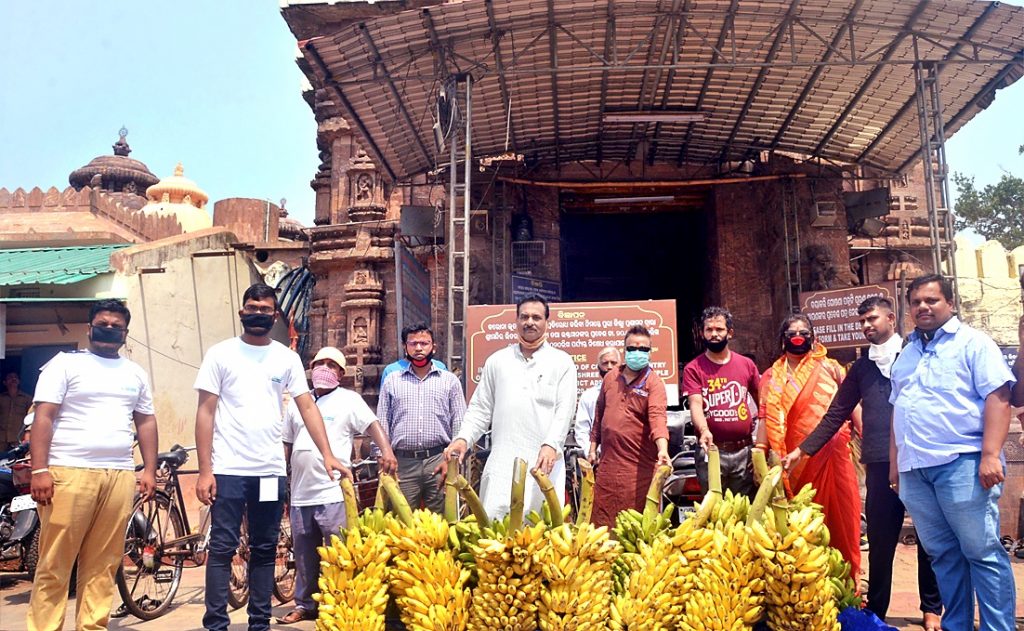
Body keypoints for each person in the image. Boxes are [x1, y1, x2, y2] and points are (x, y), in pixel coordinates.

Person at [194, 283, 350, 631]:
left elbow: (307, 406)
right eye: (252, 307)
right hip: (228, 469)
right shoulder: (220, 354)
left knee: (265, 549)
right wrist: (205, 470)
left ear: (275, 314)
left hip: (269, 471)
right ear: (241, 312)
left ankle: (259, 623)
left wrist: (328, 455)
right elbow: (205, 412)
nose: (259, 314)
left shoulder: (286, 357)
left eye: (265, 309)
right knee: (222, 547)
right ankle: (216, 623)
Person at [781, 297, 941, 627]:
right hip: (880, 462)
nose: (867, 325)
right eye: (863, 321)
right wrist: (802, 450)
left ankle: (931, 609)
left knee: (929, 539)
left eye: (872, 319)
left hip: (922, 458)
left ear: (891, 318)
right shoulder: (862, 367)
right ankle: (877, 613)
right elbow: (836, 413)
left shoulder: (915, 355)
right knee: (881, 543)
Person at [889, 274, 1017, 630]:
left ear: (951, 304)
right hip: (916, 470)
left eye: (931, 300)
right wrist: (896, 466)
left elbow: (999, 396)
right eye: (916, 302)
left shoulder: (973, 344)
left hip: (962, 463)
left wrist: (991, 454)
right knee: (943, 555)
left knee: (982, 553)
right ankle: (957, 625)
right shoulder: (908, 352)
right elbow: (898, 409)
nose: (923, 307)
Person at [27, 299, 159, 631]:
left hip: (118, 474)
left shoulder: (135, 373)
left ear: (125, 334)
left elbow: (145, 422)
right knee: (56, 563)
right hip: (68, 472)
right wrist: (39, 470)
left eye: (117, 326)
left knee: (104, 563)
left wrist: (149, 469)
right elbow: (43, 417)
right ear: (89, 327)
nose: (109, 330)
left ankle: (92, 626)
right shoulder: (64, 365)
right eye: (103, 323)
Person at [278, 346, 397, 624]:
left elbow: (372, 424)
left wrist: (387, 451)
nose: (326, 369)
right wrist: (279, 476)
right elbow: (287, 442)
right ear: (311, 367)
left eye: (333, 365)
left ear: (341, 373)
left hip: (333, 493)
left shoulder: (349, 399)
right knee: (305, 557)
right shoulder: (299, 402)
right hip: (300, 494)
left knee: (338, 553)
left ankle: (340, 602)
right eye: (321, 363)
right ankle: (305, 605)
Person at [443, 295, 577, 519]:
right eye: (524, 317)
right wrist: (463, 438)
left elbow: (565, 412)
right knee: (494, 533)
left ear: (547, 322)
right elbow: (480, 409)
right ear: (516, 321)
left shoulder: (561, 362)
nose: (529, 322)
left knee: (541, 533)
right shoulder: (498, 361)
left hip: (543, 464)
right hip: (502, 464)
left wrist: (551, 445)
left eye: (536, 317)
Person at [759, 313, 861, 582]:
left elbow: (853, 408)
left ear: (813, 338)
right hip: (793, 462)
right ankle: (807, 581)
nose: (798, 336)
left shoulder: (832, 369)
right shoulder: (771, 376)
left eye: (804, 332)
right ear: (783, 340)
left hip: (834, 456)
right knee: (800, 523)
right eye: (792, 332)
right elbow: (764, 417)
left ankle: (847, 582)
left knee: (843, 519)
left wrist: (872, 441)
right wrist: (759, 451)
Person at [377, 324, 466, 512]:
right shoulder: (392, 381)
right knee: (402, 523)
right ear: (405, 347)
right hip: (402, 463)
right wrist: (383, 455)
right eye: (413, 343)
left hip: (439, 459)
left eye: (424, 343)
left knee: (443, 522)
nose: (419, 348)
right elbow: (382, 421)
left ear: (433, 347)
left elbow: (459, 423)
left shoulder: (449, 381)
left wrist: (452, 462)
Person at [588, 326, 670, 528]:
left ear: (650, 352)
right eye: (633, 348)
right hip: (608, 467)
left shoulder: (654, 383)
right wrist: (592, 448)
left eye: (643, 349)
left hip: (637, 472)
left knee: (635, 528)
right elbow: (599, 415)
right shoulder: (611, 377)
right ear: (625, 350)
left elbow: (658, 418)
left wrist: (663, 450)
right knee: (602, 527)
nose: (638, 353)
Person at [682, 307, 761, 497]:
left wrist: (762, 444)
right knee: (713, 511)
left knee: (745, 511)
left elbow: (763, 404)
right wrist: (703, 430)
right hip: (711, 451)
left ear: (730, 333)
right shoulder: (693, 368)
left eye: (719, 329)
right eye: (709, 330)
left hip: (744, 451)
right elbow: (695, 404)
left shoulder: (746, 365)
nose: (714, 334)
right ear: (702, 333)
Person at [573, 347, 621, 455]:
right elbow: (582, 430)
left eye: (613, 363)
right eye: (605, 363)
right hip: (597, 456)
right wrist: (590, 452)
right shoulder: (589, 396)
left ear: (621, 366)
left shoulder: (631, 392)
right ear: (598, 367)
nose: (609, 367)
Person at [1, 371, 32, 449]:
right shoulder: (1, 398)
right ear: (4, 382)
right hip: (1, 439)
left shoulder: (27, 399)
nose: (13, 379)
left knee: (17, 460)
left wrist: (27, 437)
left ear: (19, 381)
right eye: (10, 377)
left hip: (18, 439)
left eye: (15, 377)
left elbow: (31, 419)